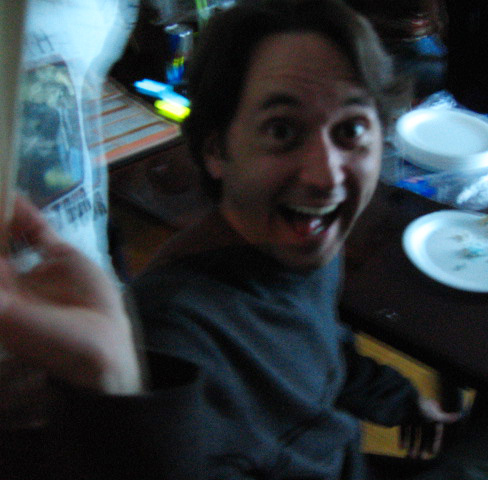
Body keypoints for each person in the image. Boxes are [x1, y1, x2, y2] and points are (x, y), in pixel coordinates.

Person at [0, 1, 461, 478]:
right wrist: (113, 376)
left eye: (350, 129)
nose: (325, 176)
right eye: (281, 130)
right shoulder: (180, 335)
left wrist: (400, 399)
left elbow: (322, 346)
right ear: (216, 150)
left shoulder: (303, 240)